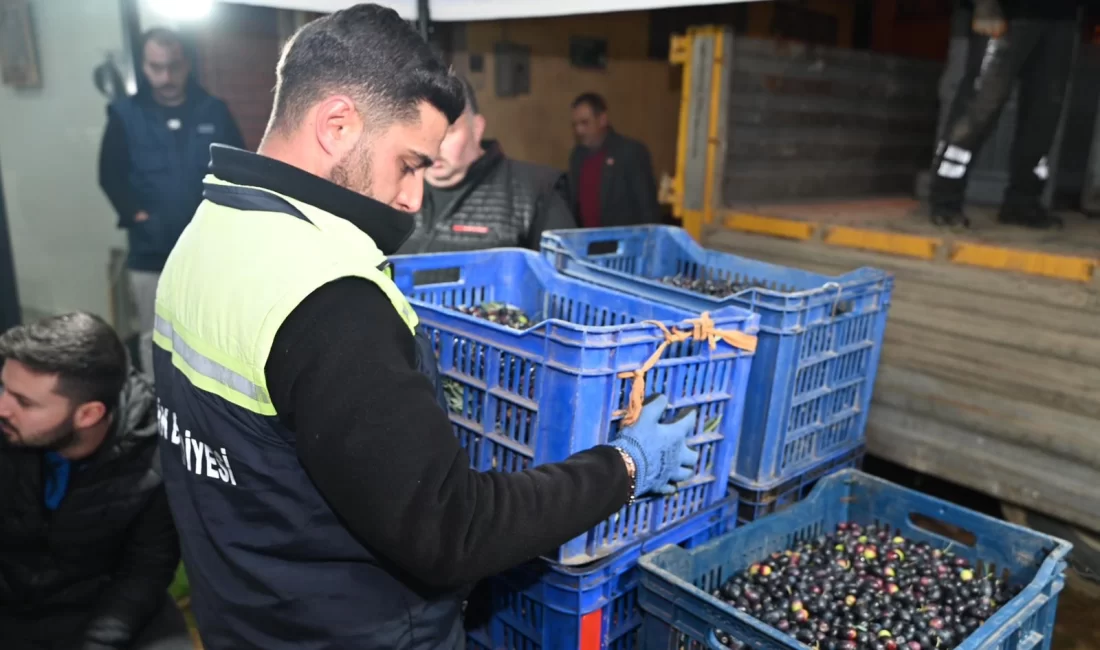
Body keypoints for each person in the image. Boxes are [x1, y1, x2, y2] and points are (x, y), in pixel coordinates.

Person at [151, 5, 698, 650]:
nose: (414, 197)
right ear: (336, 124)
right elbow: (454, 531)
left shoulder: (205, 231)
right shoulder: (328, 297)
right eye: (409, 164)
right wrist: (625, 467)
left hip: (246, 615)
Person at [0, 313, 187, 650]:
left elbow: (144, 572)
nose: (3, 407)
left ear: (88, 415)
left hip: (100, 605)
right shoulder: (9, 427)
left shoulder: (155, 454)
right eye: (5, 388)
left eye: (24, 402)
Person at [98, 27, 245, 379]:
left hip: (208, 248)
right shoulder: (124, 115)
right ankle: (157, 409)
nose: (165, 77)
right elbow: (110, 176)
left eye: (173, 66)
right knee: (155, 335)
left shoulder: (214, 110)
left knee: (212, 331)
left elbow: (238, 169)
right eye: (156, 67)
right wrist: (138, 216)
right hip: (151, 252)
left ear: (187, 64)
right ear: (144, 67)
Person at [928, 0, 1082, 229]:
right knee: (979, 108)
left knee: (1044, 116)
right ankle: (945, 200)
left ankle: (1022, 203)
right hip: (1008, 12)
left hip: (1062, 17)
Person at [398, 77, 576, 253]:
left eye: (447, 131)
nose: (433, 147)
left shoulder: (535, 191)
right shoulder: (394, 189)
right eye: (420, 132)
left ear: (477, 128)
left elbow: (566, 273)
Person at [567, 92, 661, 228]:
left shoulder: (630, 152)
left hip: (623, 245)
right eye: (575, 125)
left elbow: (648, 210)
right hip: (586, 245)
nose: (579, 130)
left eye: (585, 123)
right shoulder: (577, 157)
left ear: (603, 119)